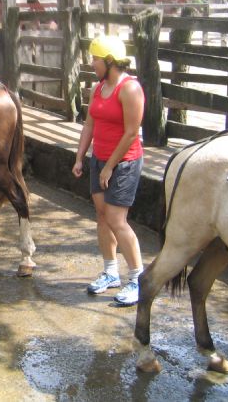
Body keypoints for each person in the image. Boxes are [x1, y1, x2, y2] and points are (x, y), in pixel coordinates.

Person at [72, 35, 145, 306]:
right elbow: (89, 125)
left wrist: (110, 167)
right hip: (99, 160)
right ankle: (110, 272)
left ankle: (138, 278)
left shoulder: (130, 89)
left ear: (110, 61)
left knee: (116, 220)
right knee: (102, 217)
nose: (92, 64)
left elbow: (131, 133)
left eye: (95, 59)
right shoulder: (98, 88)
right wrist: (81, 157)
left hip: (124, 162)